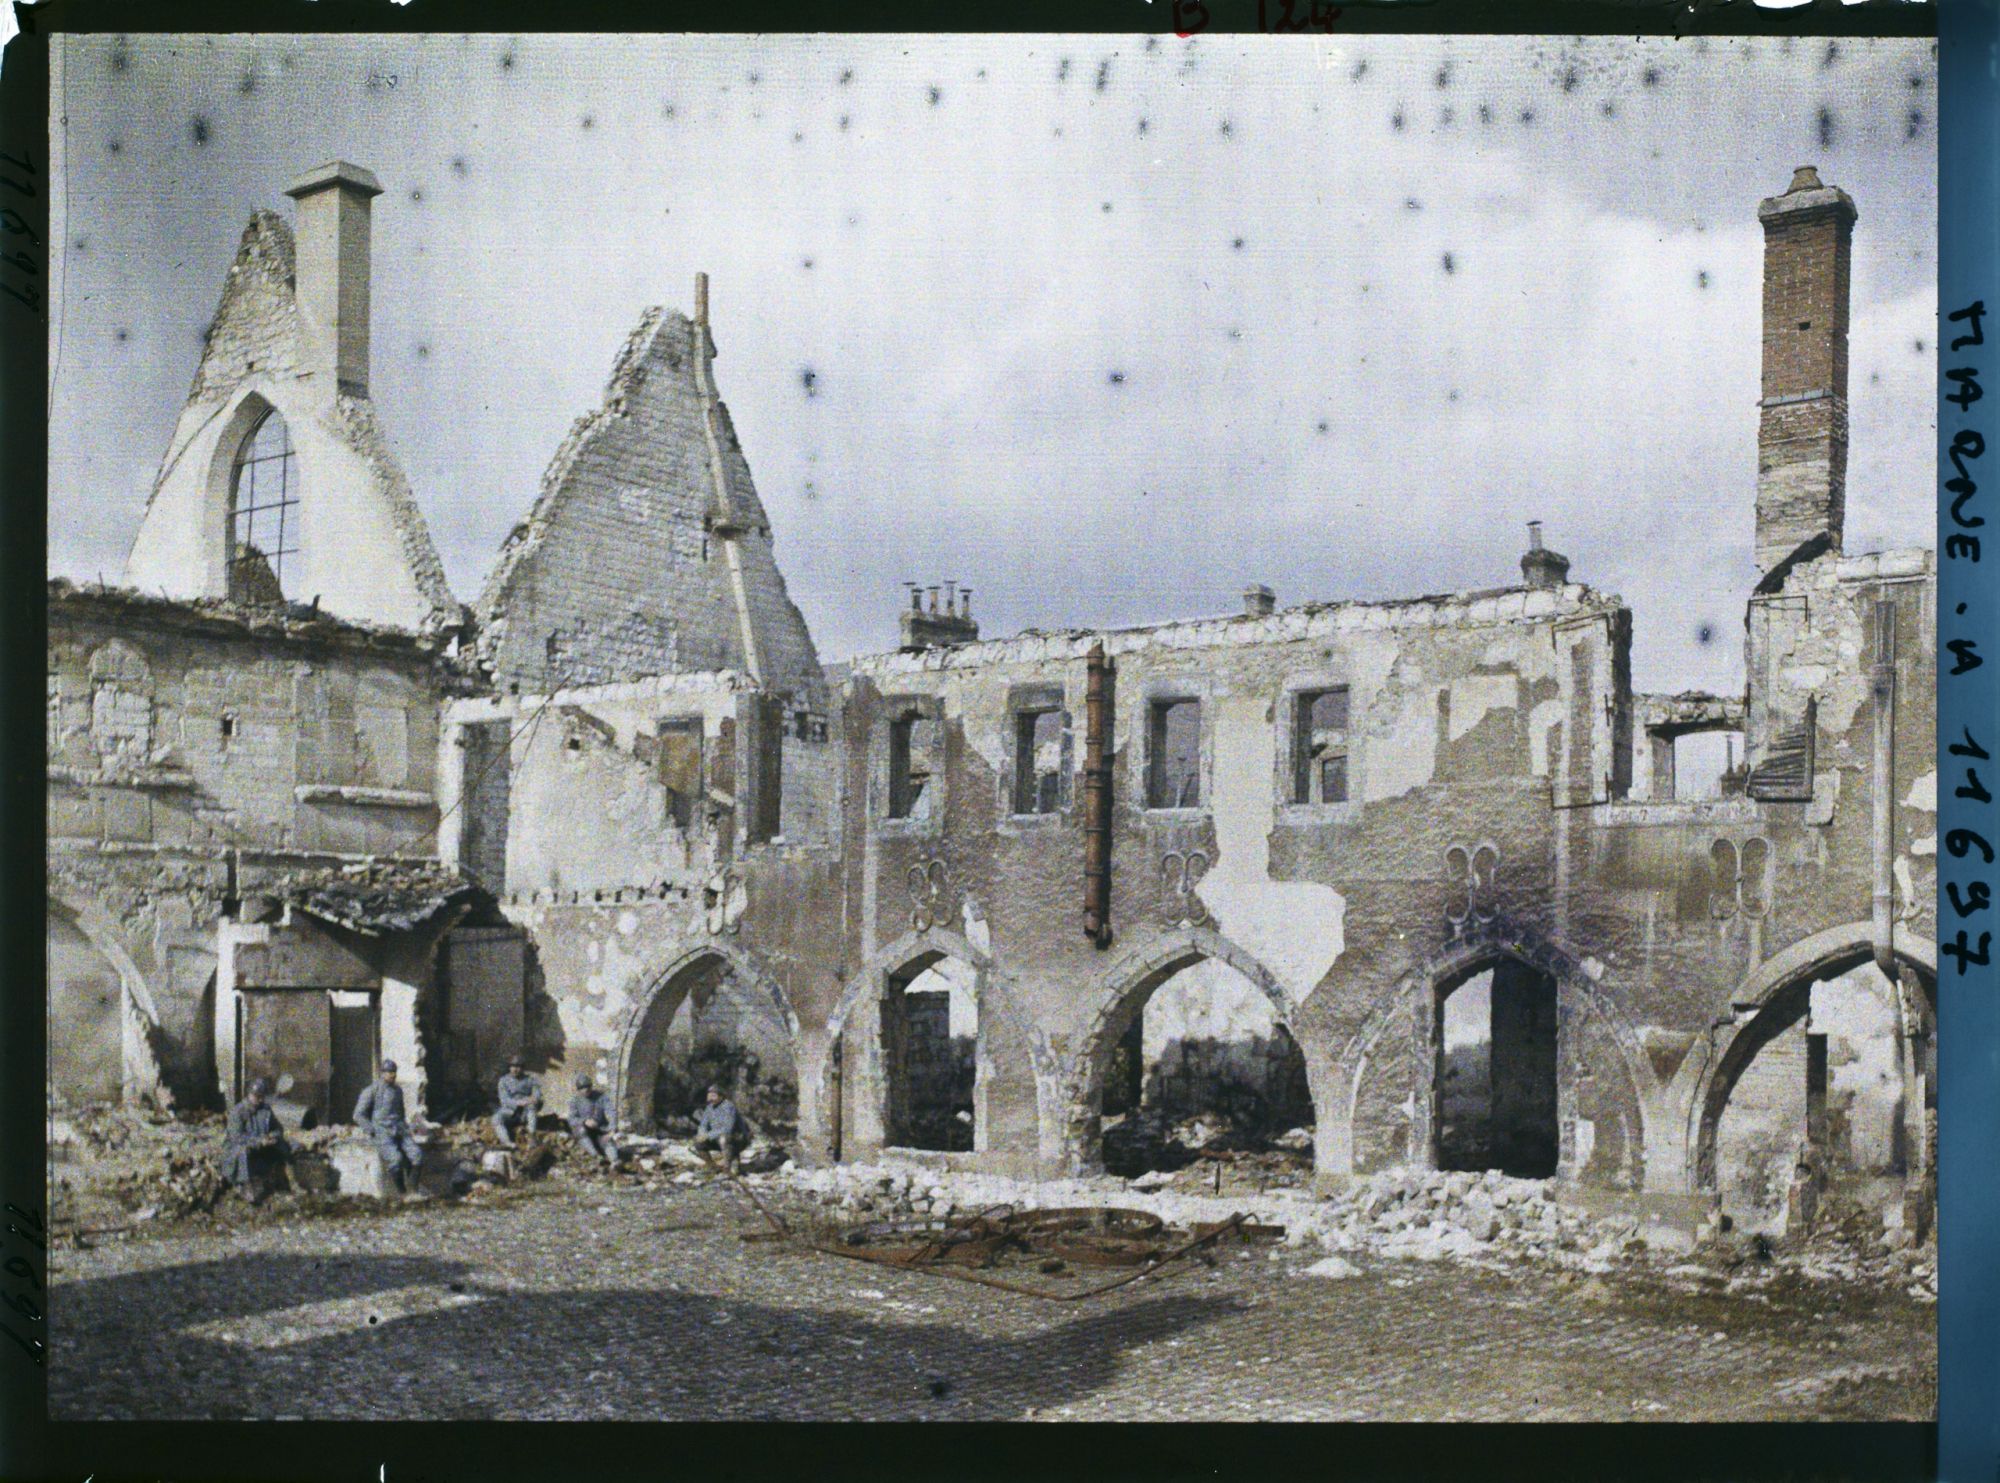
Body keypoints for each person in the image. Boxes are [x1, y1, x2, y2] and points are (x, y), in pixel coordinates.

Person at [353, 1058, 424, 1197]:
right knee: (396, 1160)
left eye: (394, 1072)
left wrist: (406, 1128)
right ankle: (402, 1193)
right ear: (382, 1073)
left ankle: (413, 1191)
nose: (392, 1075)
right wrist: (371, 1129)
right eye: (389, 1072)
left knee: (417, 1155)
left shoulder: (398, 1090)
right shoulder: (371, 1090)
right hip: (382, 1132)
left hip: (399, 1129)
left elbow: (401, 1112)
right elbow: (358, 1115)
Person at [223, 1076, 291, 1204]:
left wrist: (272, 1136)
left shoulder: (265, 1110)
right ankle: (243, 1185)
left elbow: (278, 1128)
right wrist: (259, 1141)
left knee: (286, 1145)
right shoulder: (237, 1112)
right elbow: (236, 1138)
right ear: (249, 1094)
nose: (259, 1100)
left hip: (261, 1145)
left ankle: (283, 1180)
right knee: (243, 1151)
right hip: (235, 1149)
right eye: (256, 1096)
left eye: (261, 1096)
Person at [692, 1084, 750, 1174]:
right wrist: (701, 1134)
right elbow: (703, 1124)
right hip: (717, 1138)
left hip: (737, 1139)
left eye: (714, 1095)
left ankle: (728, 1168)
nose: (711, 1098)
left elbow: (727, 1128)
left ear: (721, 1096)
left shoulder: (729, 1107)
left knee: (724, 1139)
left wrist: (708, 1135)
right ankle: (712, 1167)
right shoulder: (709, 1108)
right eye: (709, 1095)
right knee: (698, 1142)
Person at [567, 1073, 619, 1167]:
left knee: (608, 1142)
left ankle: (614, 1162)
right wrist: (585, 1121)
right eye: (583, 1088)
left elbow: (612, 1112)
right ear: (578, 1089)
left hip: (600, 1129)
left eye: (588, 1087)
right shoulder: (574, 1101)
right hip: (585, 1132)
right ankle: (596, 1156)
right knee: (580, 1130)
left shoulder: (601, 1097)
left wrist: (612, 1129)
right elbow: (571, 1119)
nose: (586, 1089)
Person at [492, 1055, 543, 1147]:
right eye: (513, 1066)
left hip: (526, 1112)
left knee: (531, 1107)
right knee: (496, 1118)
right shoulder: (503, 1081)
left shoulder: (530, 1079)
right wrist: (518, 1103)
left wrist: (531, 1099)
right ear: (509, 1067)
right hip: (510, 1112)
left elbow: (537, 1095)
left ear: (523, 1068)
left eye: (518, 1067)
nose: (515, 1069)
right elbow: (504, 1100)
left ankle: (532, 1137)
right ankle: (507, 1143)